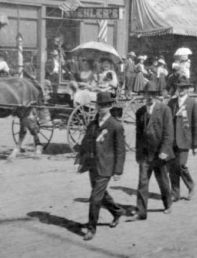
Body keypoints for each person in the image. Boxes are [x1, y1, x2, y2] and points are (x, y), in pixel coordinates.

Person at [74, 92, 126, 241]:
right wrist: (81, 162)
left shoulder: (115, 126)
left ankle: (91, 228)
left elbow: (120, 151)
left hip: (106, 167)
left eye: (104, 106)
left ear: (110, 106)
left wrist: (118, 171)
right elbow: (85, 143)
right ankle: (117, 212)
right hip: (93, 166)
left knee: (95, 198)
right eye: (99, 105)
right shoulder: (93, 123)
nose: (101, 108)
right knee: (101, 195)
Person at [129, 82, 175, 221]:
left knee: (163, 181)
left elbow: (168, 133)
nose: (149, 97)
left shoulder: (165, 110)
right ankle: (141, 212)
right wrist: (138, 154)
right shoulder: (140, 112)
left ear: (156, 96)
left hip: (159, 154)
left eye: (152, 94)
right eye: (147, 94)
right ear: (143, 95)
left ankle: (168, 204)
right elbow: (138, 135)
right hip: (145, 154)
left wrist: (164, 151)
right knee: (142, 182)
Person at [167, 79, 197, 202]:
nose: (181, 90)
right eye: (179, 88)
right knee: (172, 167)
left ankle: (191, 185)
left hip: (185, 140)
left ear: (187, 89)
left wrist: (195, 145)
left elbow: (196, 125)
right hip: (172, 140)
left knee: (181, 165)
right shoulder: (172, 102)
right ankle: (175, 193)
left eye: (183, 88)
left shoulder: (192, 103)